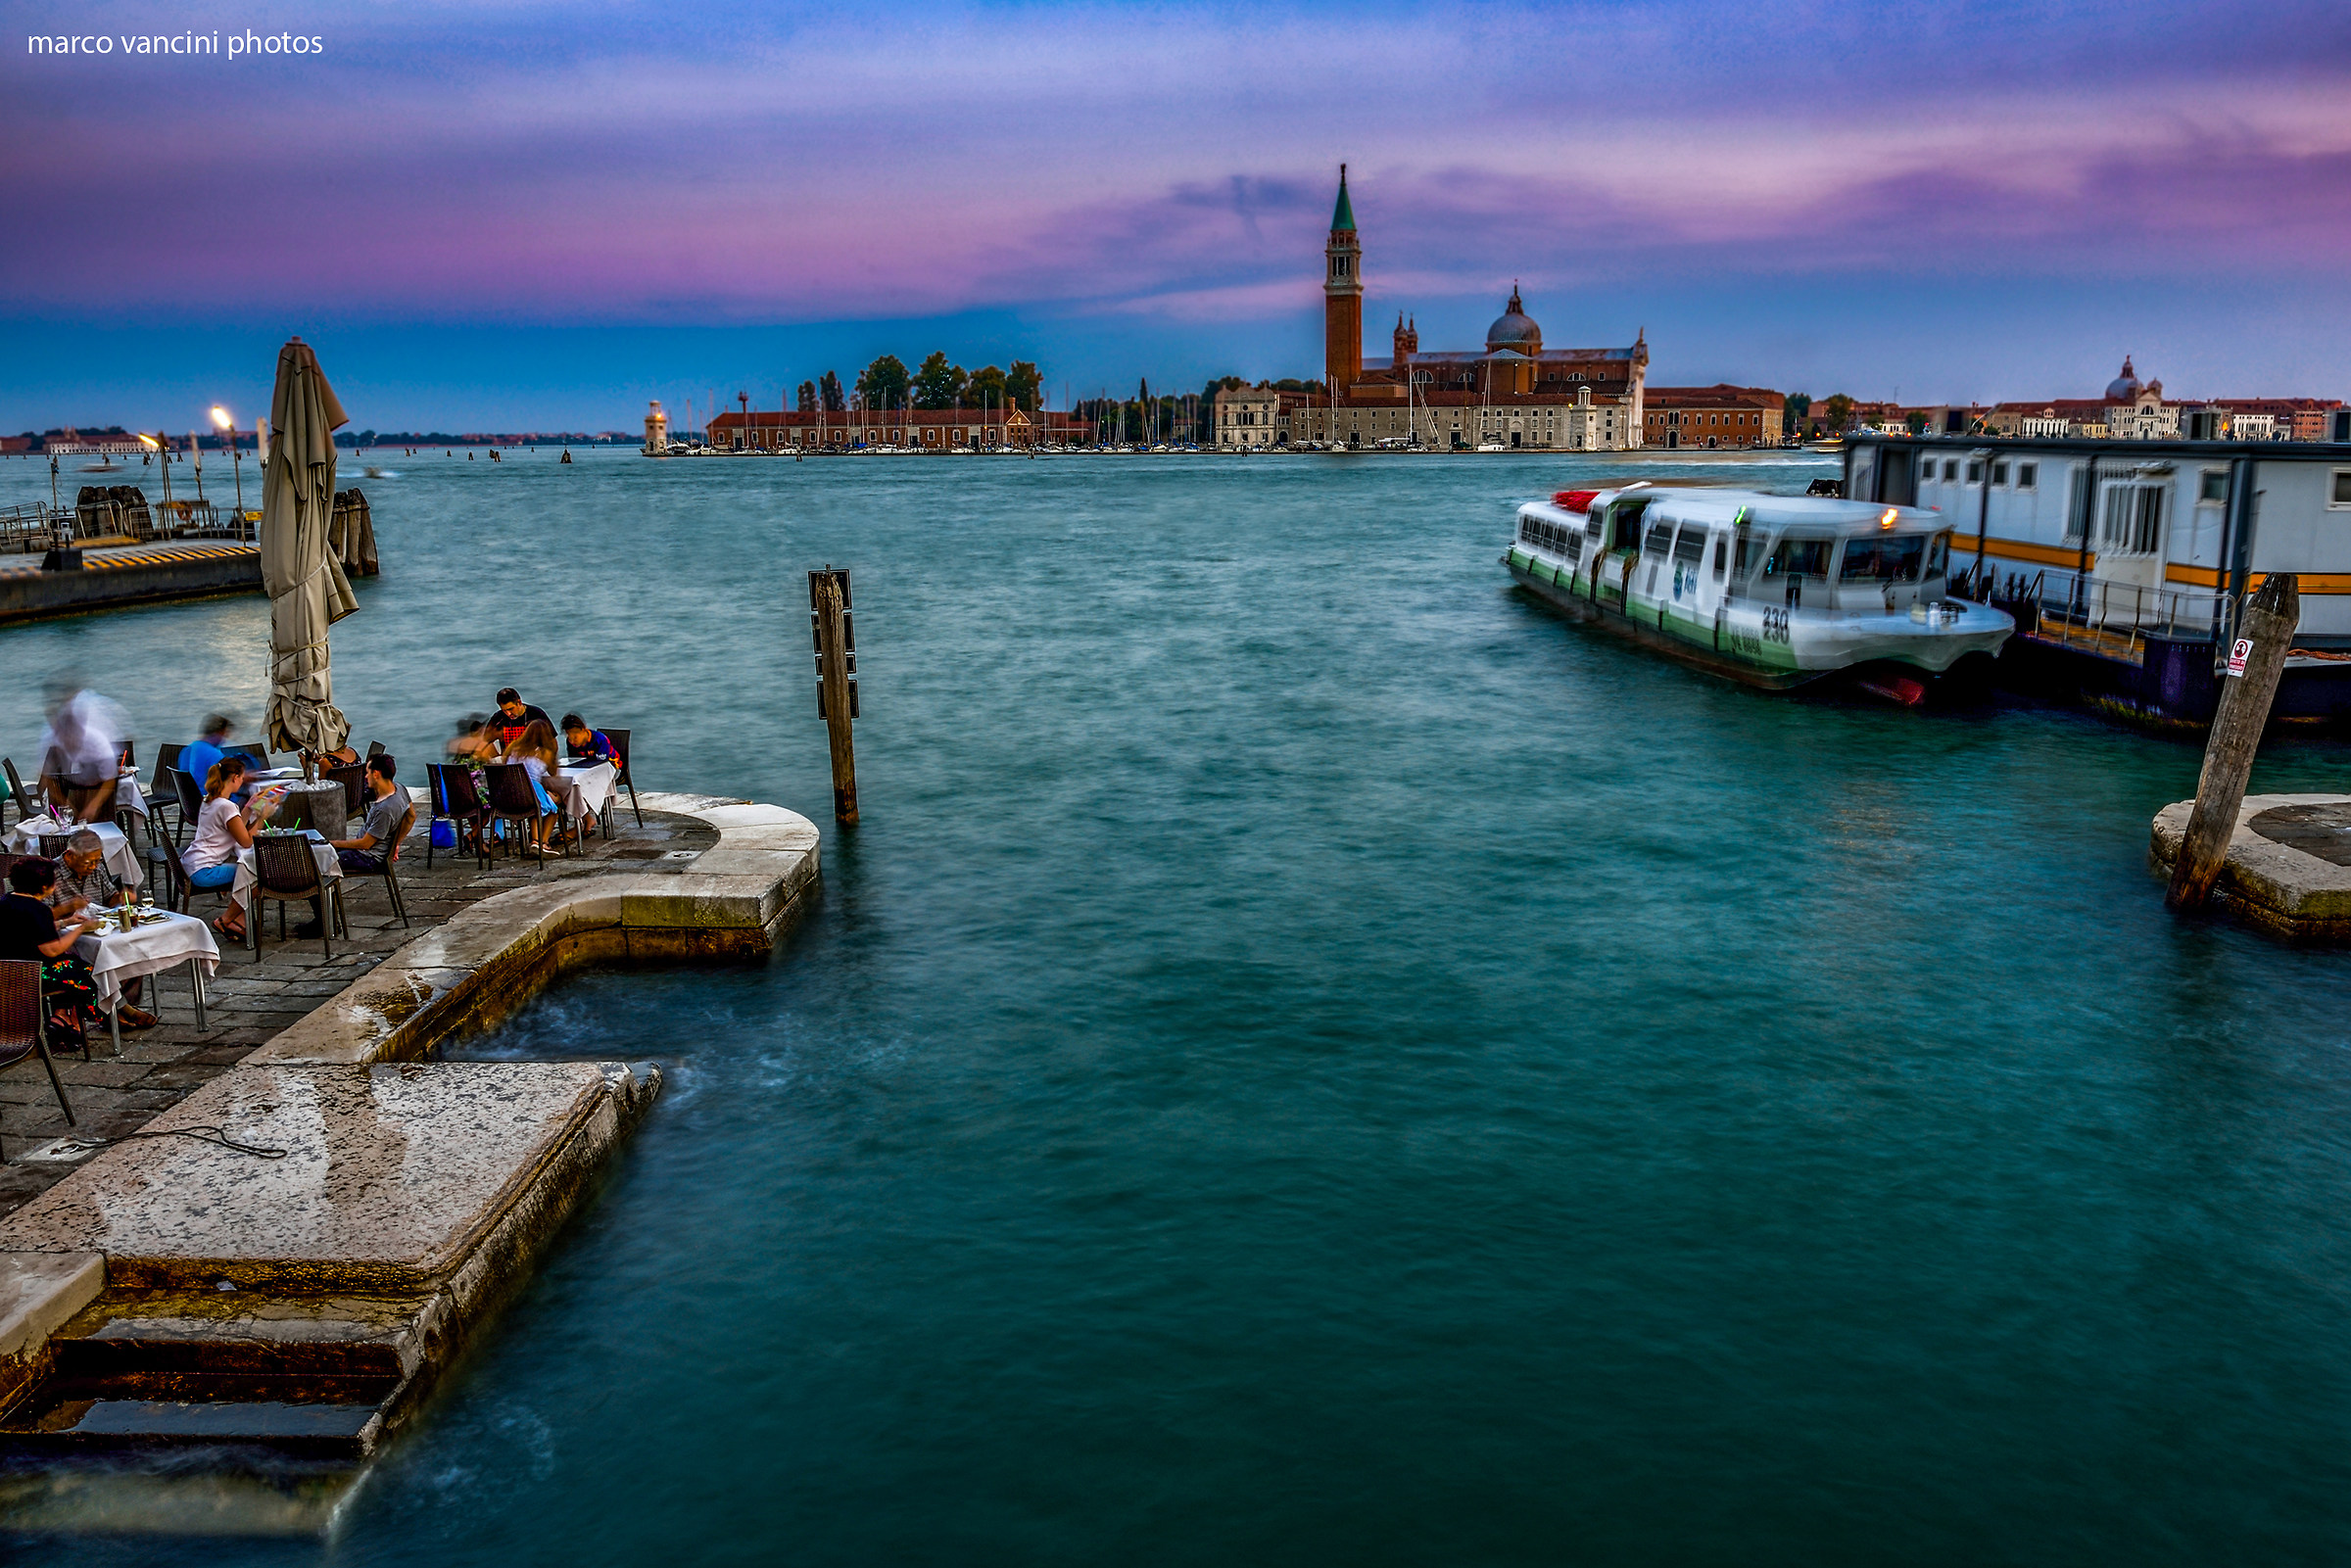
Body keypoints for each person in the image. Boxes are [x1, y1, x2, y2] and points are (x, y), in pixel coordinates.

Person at [44, 830, 157, 1029]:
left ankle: (120, 1008)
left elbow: (109, 898)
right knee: (99, 959)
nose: (94, 866)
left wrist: (121, 898)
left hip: (97, 927)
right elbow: (40, 916)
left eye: (97, 861)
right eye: (89, 862)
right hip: (65, 935)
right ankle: (115, 1012)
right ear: (69, 856)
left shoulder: (96, 869)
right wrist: (67, 909)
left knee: (133, 947)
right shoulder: (50, 874)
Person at [0, 857, 104, 1049]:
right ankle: (71, 1022)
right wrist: (81, 929)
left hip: (7, 969)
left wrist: (67, 922)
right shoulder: (38, 909)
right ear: (44, 886)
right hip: (32, 973)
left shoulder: (5, 901)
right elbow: (51, 949)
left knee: (69, 962)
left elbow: (30, 931)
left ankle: (60, 1016)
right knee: (84, 970)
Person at [182, 757, 261, 941]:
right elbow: (246, 841)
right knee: (259, 875)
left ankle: (239, 919)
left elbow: (235, 826)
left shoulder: (209, 801)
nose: (242, 781)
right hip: (203, 872)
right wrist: (263, 817)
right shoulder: (226, 806)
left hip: (191, 864)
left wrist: (249, 806)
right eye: (241, 777)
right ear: (234, 778)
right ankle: (227, 919)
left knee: (246, 873)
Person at [37, 683, 130, 823]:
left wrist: (94, 805)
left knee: (101, 826)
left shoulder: (97, 741)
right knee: (63, 826)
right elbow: (47, 778)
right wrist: (65, 803)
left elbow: (110, 778)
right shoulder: (52, 738)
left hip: (98, 786)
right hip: (69, 786)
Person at [504, 719, 564, 855]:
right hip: (531, 790)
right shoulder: (544, 752)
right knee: (553, 807)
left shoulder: (513, 748)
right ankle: (542, 842)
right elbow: (553, 773)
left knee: (536, 807)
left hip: (511, 794)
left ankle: (536, 842)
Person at [179, 714, 236, 801]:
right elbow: (227, 781)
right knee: (255, 799)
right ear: (219, 733)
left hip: (188, 802)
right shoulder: (214, 754)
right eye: (224, 735)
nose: (224, 739)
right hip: (210, 801)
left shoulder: (187, 749)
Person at [487, 689, 552, 754]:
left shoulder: (536, 714)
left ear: (519, 703)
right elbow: (485, 742)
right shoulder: (498, 718)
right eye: (504, 710)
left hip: (532, 759)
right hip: (508, 761)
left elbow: (552, 742)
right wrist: (499, 759)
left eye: (511, 709)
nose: (508, 714)